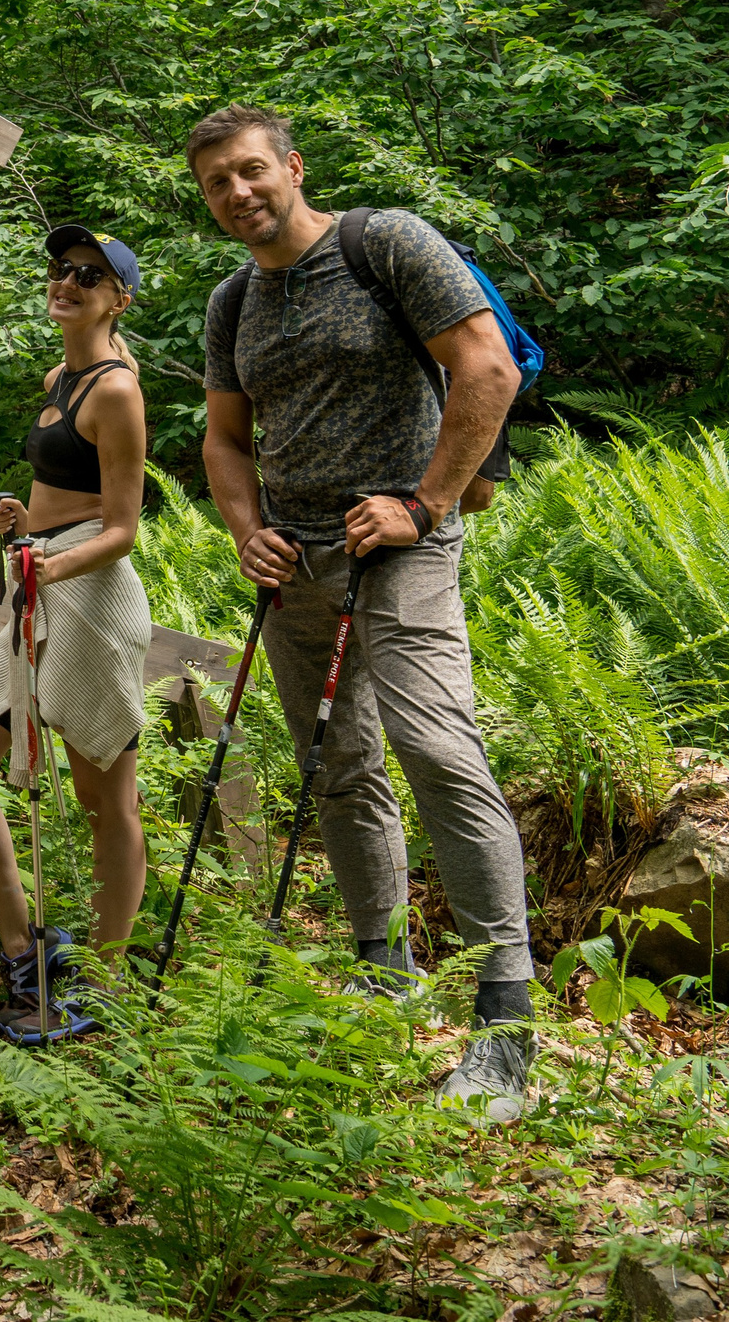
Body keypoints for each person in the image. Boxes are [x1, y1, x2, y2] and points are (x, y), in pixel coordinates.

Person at [191, 104, 535, 1121]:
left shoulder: (383, 242)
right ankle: (382, 974)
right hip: (294, 560)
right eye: (217, 183)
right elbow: (222, 437)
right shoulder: (230, 301)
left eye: (251, 171)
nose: (238, 193)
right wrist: (243, 527)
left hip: (404, 545)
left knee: (436, 750)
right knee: (337, 768)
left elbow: (486, 367)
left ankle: (504, 1029)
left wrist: (424, 505)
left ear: (291, 166)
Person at [0, 231, 152, 1043]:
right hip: (41, 577)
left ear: (118, 297)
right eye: (62, 269)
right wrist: (20, 522)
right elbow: (66, 497)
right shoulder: (60, 377)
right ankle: (26, 952)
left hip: (87, 594)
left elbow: (122, 528)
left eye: (89, 275)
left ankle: (106, 974)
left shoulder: (117, 390)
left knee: (105, 798)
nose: (68, 282)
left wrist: (52, 568)